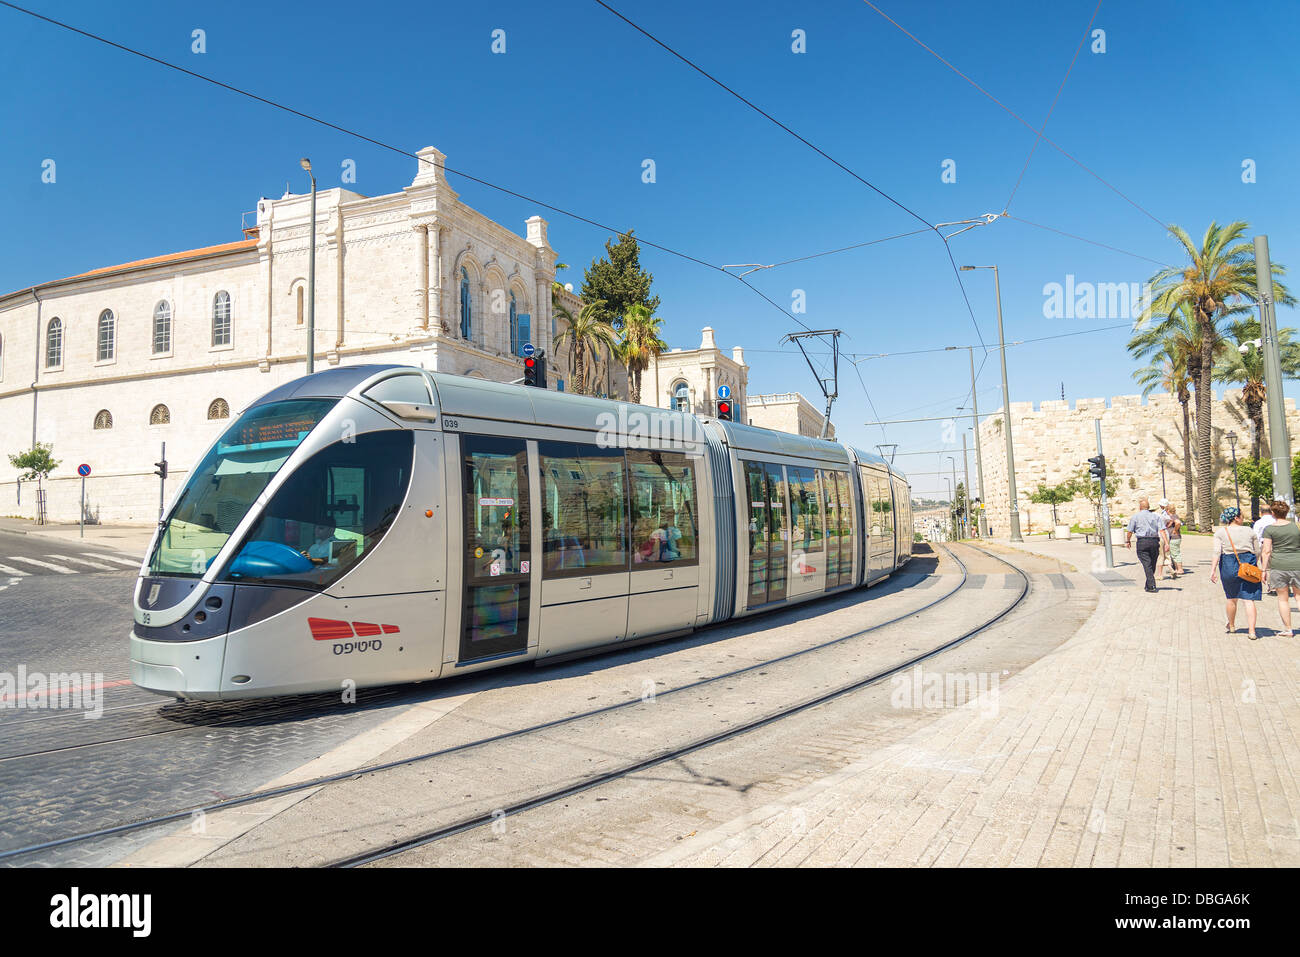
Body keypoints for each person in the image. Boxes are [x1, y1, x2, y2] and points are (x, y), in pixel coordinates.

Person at [1211, 506, 1262, 639]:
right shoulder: (1249, 531)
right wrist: (1254, 564)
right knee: (1249, 599)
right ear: (1236, 518)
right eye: (1242, 516)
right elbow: (1257, 551)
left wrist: (1213, 570)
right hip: (1247, 563)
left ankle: (1232, 625)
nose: (1243, 518)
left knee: (1231, 598)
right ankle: (1252, 631)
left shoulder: (1221, 532)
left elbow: (1217, 552)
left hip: (1229, 563)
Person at [1259, 499, 1300, 637]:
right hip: (1297, 563)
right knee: (1299, 597)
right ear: (1287, 511)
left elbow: (1266, 551)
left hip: (1279, 566)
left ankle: (1288, 629)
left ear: (1272, 513)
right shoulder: (1296, 527)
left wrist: (1264, 570)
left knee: (1283, 599)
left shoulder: (1269, 529)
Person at [1124, 496, 1164, 592]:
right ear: (1148, 507)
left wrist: (1127, 540)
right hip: (1154, 541)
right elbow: (1162, 529)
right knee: (1152, 564)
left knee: (1147, 564)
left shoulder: (1135, 517)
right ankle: (1149, 585)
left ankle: (1150, 585)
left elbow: (1129, 531)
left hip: (1142, 542)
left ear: (1140, 507)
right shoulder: (1156, 516)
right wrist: (1166, 542)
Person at [1164, 504, 1185, 579]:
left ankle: (1180, 569)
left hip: (1174, 538)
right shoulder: (1174, 516)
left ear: (1168, 510)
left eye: (1166, 510)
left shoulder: (1173, 516)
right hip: (1175, 538)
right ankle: (1177, 568)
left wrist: (1175, 530)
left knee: (1175, 553)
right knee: (1174, 553)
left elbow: (1178, 523)